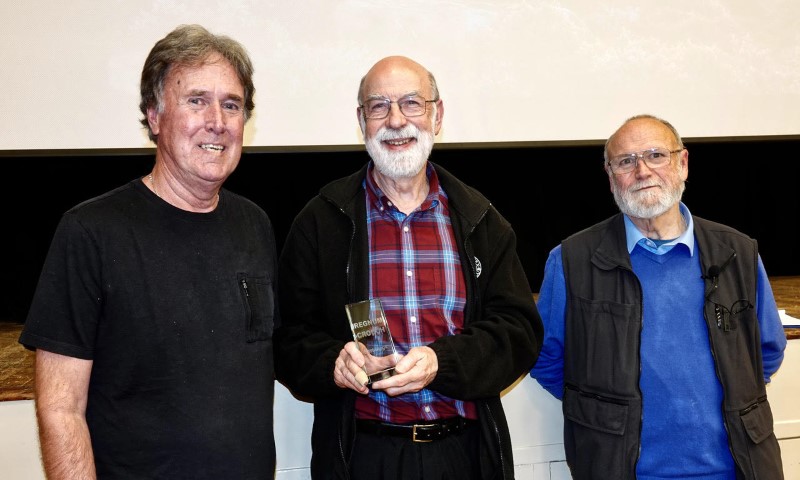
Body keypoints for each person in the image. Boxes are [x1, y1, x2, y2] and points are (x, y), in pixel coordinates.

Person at [19, 24, 279, 479]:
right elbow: (60, 409)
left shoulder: (254, 225)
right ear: (155, 116)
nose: (217, 120)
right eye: (197, 100)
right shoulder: (91, 231)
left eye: (232, 105)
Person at [274, 55, 543, 479]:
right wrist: (333, 363)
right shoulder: (321, 221)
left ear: (437, 115)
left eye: (412, 103)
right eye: (379, 106)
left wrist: (442, 363)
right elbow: (287, 340)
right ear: (362, 120)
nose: (396, 120)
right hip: (361, 456)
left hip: (465, 456)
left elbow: (519, 333)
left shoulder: (481, 219)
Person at [530, 114, 787, 479]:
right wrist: (603, 416)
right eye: (626, 161)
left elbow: (768, 351)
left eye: (655, 155)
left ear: (682, 163)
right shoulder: (572, 260)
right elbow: (545, 356)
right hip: (619, 470)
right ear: (610, 176)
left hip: (737, 468)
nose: (642, 171)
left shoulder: (738, 253)